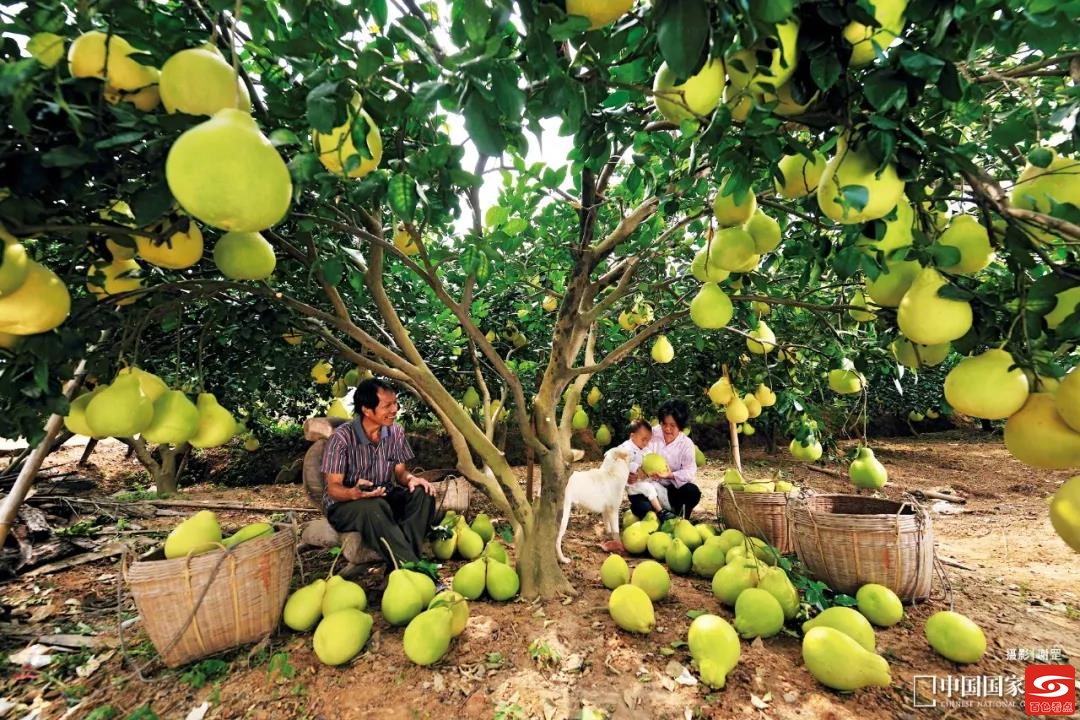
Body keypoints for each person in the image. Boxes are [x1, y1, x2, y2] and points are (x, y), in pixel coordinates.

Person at [321, 377, 436, 568]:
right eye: (387, 405)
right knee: (373, 506)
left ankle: (396, 569)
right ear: (367, 410)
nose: (395, 410)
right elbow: (333, 489)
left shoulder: (395, 432)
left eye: (395, 403)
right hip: (346, 506)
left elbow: (401, 473)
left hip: (383, 497)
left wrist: (412, 479)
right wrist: (353, 493)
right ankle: (416, 571)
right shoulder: (341, 438)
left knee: (424, 494)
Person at [641, 399, 702, 519]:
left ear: (681, 426)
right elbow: (639, 452)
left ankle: (680, 516)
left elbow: (689, 471)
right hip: (651, 487)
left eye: (672, 425)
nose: (667, 429)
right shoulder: (651, 434)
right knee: (639, 506)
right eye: (664, 424)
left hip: (673, 490)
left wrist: (670, 475)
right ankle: (660, 513)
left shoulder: (686, 444)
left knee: (692, 492)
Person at [621, 419, 676, 522]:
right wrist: (635, 467)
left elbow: (652, 462)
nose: (646, 443)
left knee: (659, 489)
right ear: (632, 436)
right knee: (649, 488)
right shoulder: (626, 448)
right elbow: (620, 460)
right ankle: (661, 512)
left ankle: (669, 510)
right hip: (634, 486)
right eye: (643, 439)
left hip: (645, 481)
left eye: (648, 440)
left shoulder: (646, 450)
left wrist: (657, 471)